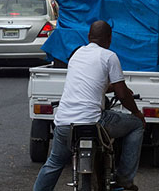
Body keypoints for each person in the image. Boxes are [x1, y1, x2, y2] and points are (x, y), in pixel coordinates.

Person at [33, 21, 145, 191]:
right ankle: (124, 179)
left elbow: (89, 85)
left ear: (88, 37)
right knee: (136, 125)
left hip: (64, 123)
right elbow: (123, 95)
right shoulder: (109, 56)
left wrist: (110, 87)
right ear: (109, 38)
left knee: (54, 162)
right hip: (93, 123)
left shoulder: (77, 54)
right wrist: (137, 112)